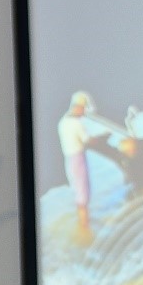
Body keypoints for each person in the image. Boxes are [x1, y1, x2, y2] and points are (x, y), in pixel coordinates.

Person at [56, 91, 107, 238]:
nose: (84, 112)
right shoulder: (76, 123)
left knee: (78, 193)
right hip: (78, 159)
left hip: (69, 159)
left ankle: (83, 224)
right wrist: (97, 138)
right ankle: (85, 229)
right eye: (84, 109)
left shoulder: (63, 121)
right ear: (79, 107)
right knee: (83, 195)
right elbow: (87, 140)